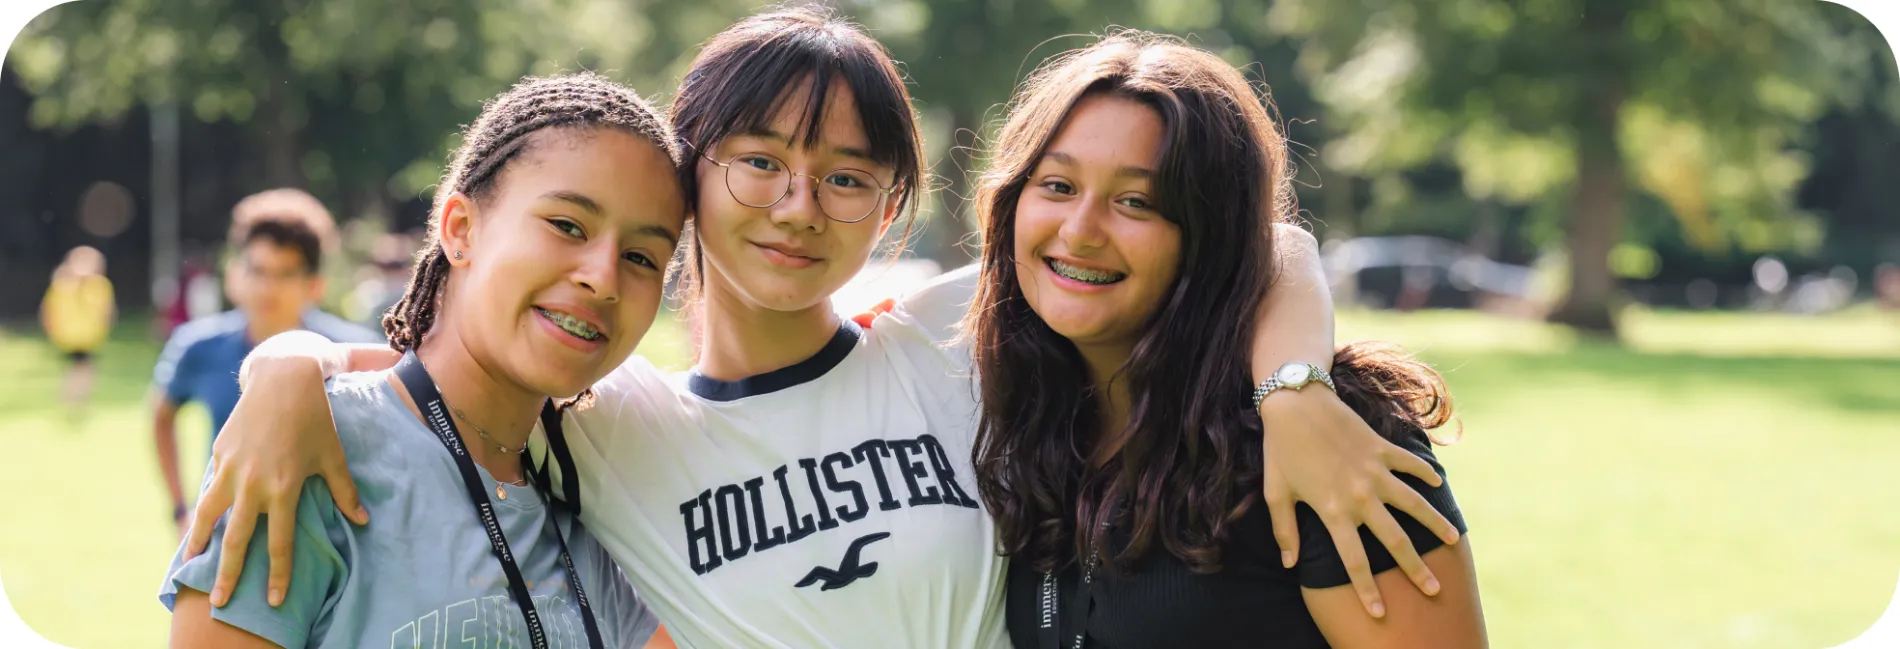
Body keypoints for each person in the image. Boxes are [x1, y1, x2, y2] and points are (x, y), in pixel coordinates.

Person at [189, 8, 1458, 648]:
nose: (799, 208)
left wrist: (1293, 389)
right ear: (691, 175)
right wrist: (284, 362)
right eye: (758, 162)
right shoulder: (616, 422)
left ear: (893, 208)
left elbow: (1254, 241)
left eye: (848, 177)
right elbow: (432, 381)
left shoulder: (954, 344)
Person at [965, 34, 1487, 648]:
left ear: (1210, 234)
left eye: (1136, 202)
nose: (1079, 232)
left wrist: (1294, 396)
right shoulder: (1030, 423)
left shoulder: (1330, 441)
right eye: (1057, 186)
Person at [162, 72, 687, 649]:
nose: (603, 277)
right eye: (567, 225)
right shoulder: (309, 442)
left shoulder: (590, 487)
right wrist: (288, 365)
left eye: (641, 256)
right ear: (461, 230)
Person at [151, 188, 383, 535]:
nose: (267, 287)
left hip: (335, 539)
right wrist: (180, 509)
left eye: (285, 273)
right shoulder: (198, 346)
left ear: (315, 284)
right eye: (257, 270)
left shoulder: (355, 353)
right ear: (234, 273)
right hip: (226, 535)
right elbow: (161, 416)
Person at [41, 245, 115, 412]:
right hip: (73, 336)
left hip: (86, 336)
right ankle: (75, 399)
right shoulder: (64, 286)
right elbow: (50, 310)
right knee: (82, 368)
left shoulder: (94, 285)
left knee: (78, 368)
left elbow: (105, 311)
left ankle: (73, 397)